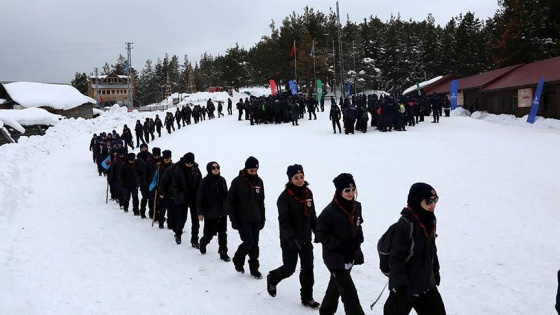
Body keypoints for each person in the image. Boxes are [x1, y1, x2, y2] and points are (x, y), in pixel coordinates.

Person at [383, 182, 446, 315]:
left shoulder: (429, 220)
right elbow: (396, 259)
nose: (433, 204)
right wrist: (400, 286)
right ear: (417, 201)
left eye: (435, 200)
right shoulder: (405, 225)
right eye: (429, 201)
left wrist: (435, 270)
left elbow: (431, 250)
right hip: (404, 289)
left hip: (426, 287)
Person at [267, 164, 320, 309]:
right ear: (290, 179)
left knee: (308, 268)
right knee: (289, 268)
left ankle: (307, 298)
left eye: (301, 177)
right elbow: (284, 221)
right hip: (289, 240)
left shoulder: (308, 193)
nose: (300, 180)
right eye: (296, 177)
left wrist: (317, 231)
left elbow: (312, 215)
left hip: (306, 239)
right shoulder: (284, 198)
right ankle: (272, 278)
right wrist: (291, 238)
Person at [316, 173, 365, 315]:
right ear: (339, 191)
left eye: (353, 189)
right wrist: (340, 245)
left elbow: (358, 225)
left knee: (335, 288)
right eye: (347, 190)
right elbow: (320, 234)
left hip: (349, 256)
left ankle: (326, 311)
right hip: (335, 259)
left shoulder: (357, 207)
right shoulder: (329, 212)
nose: (351, 193)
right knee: (350, 295)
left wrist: (358, 241)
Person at [228, 156, 265, 279]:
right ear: (246, 169)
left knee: (255, 244)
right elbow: (230, 202)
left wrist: (262, 218)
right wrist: (233, 219)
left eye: (255, 170)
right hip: (242, 219)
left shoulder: (259, 182)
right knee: (248, 242)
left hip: (256, 218)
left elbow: (261, 202)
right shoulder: (237, 182)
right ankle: (238, 259)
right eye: (251, 170)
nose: (253, 173)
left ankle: (254, 269)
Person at [197, 161, 230, 262]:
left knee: (223, 233)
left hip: (222, 212)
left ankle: (223, 252)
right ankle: (203, 243)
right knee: (209, 234)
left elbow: (227, 196)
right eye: (213, 168)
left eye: (218, 167)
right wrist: (200, 213)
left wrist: (229, 208)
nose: (216, 169)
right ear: (209, 170)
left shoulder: (222, 180)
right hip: (210, 212)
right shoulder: (204, 182)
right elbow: (200, 198)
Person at [172, 152, 202, 247]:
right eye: (188, 163)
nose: (190, 165)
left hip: (194, 199)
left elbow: (200, 184)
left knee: (195, 220)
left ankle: (194, 240)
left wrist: (198, 195)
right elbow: (175, 186)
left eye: (191, 163)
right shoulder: (177, 170)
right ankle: (178, 234)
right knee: (182, 218)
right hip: (182, 199)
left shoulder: (196, 169)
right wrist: (182, 196)